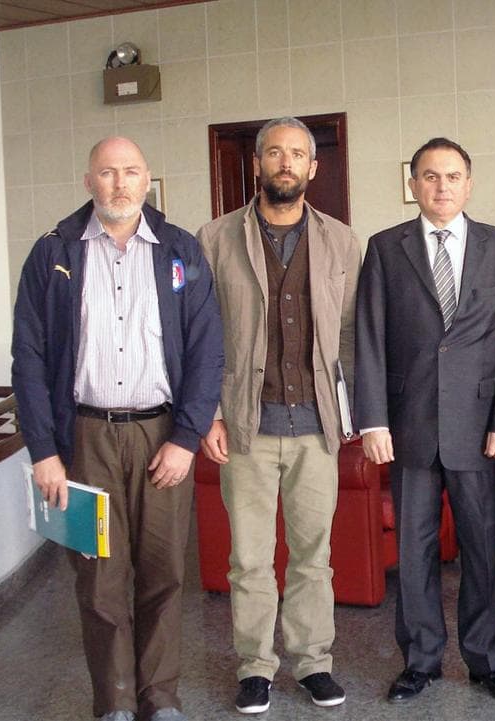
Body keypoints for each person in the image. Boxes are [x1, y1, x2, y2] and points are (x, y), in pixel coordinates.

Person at [11, 137, 223, 721]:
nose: (120, 184)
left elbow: (208, 350)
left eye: (131, 172)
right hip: (85, 439)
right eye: (108, 173)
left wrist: (186, 437)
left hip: (163, 439)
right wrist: (44, 452)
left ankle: (160, 700)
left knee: (163, 575)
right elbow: (28, 356)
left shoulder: (180, 250)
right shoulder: (53, 253)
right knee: (100, 581)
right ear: (89, 181)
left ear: (148, 179)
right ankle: (116, 703)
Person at [196, 117, 360, 714]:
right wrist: (208, 414)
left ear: (313, 168)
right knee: (249, 558)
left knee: (315, 555)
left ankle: (314, 662)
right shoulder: (213, 238)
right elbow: (201, 334)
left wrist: (352, 416)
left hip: (317, 424)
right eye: (274, 153)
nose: (285, 163)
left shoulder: (342, 240)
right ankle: (256, 666)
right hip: (246, 425)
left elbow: (348, 334)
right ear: (257, 164)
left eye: (297, 154)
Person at [355, 137, 495, 704]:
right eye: (429, 176)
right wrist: (372, 420)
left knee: (482, 548)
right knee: (415, 549)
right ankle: (421, 659)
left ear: (469, 183)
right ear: (413, 186)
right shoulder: (385, 248)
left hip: (478, 427)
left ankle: (487, 661)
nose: (442, 186)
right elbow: (371, 339)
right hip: (408, 426)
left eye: (452, 176)